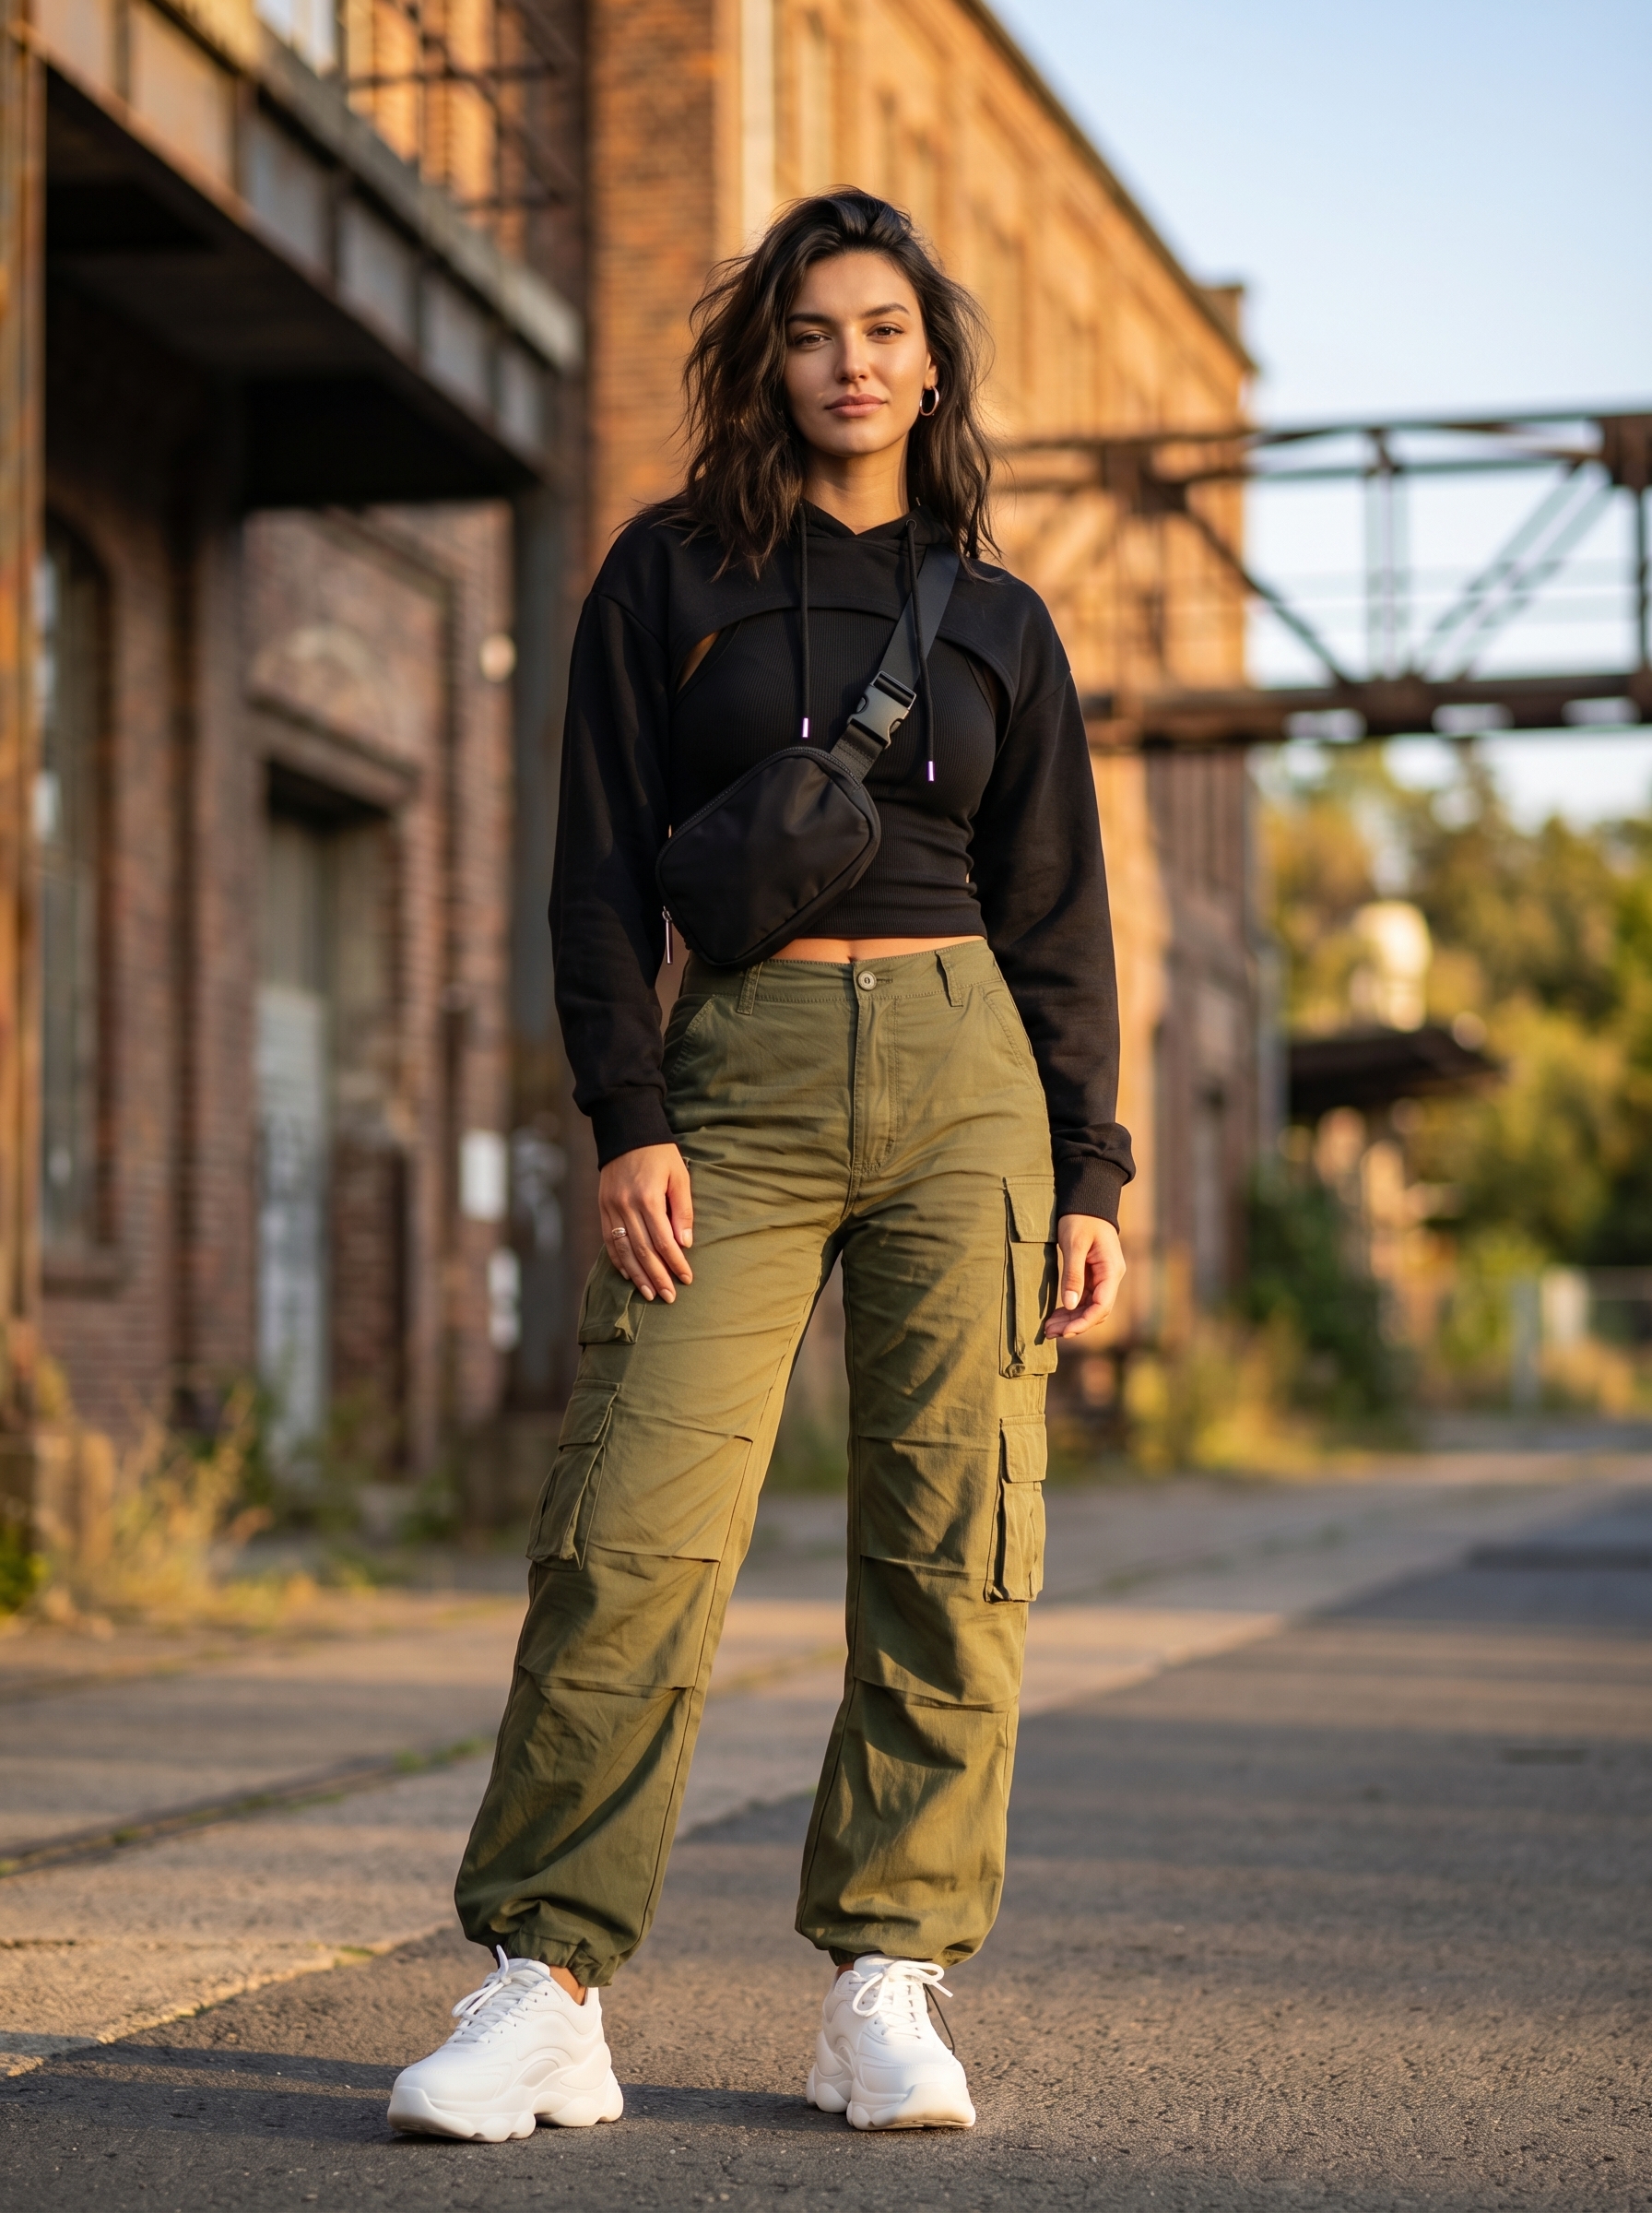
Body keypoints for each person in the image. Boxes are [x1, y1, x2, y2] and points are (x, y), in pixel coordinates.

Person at [388, 188, 1132, 2144]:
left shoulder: (996, 619)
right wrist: (626, 1116)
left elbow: (1057, 915)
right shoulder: (663, 574)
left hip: (968, 1075)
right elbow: (591, 878)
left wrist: (1091, 1172)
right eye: (812, 331)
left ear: (931, 359)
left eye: (885, 327)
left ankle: (886, 1981)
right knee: (634, 1525)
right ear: (766, 361)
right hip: (734, 1072)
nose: (851, 362)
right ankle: (544, 1983)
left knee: (952, 1540)